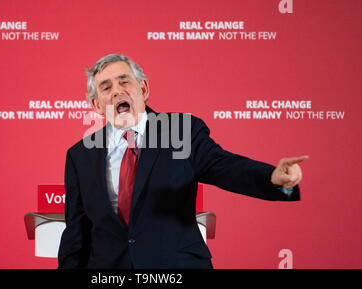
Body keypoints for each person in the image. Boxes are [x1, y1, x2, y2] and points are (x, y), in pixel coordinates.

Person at [57, 53, 307, 269]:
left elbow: (225, 166)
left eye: (125, 82)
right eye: (106, 87)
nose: (118, 91)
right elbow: (76, 233)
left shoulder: (181, 131)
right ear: (97, 104)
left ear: (143, 90)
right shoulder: (80, 155)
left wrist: (274, 177)